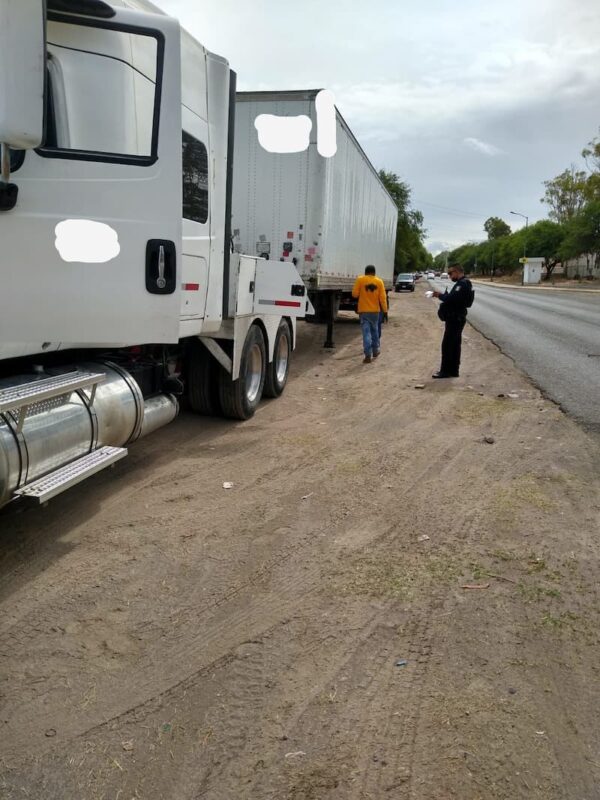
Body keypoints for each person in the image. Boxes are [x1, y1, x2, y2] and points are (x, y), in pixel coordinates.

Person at [431, 264, 474, 378]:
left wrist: (439, 295)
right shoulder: (463, 283)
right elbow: (455, 299)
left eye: (450, 273)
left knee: (448, 345)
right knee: (455, 345)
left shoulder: (462, 284)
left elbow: (452, 299)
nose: (449, 276)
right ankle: (454, 370)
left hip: (455, 318)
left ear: (457, 272)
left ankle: (445, 371)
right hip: (456, 317)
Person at [352, 265, 388, 363]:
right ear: (374, 272)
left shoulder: (360, 279)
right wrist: (385, 311)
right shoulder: (379, 281)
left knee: (366, 333)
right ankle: (375, 351)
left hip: (364, 311)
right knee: (375, 331)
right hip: (375, 312)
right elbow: (383, 298)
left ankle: (368, 355)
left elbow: (354, 294)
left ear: (366, 272)